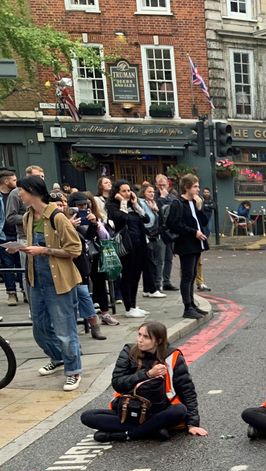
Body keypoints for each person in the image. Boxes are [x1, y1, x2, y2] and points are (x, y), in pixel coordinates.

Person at [6, 175, 84, 391]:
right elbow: (32, 245)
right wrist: (19, 247)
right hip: (35, 279)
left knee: (64, 329)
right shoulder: (28, 217)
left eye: (21, 191)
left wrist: (44, 250)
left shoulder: (57, 217)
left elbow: (75, 250)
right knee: (39, 328)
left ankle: (73, 370)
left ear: (32, 191)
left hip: (58, 280)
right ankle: (57, 357)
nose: (19, 194)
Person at [81, 321, 207, 442]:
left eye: (146, 337)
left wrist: (192, 424)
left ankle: (126, 435)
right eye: (139, 334)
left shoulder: (172, 356)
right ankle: (153, 430)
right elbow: (118, 383)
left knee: (179, 410)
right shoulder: (128, 351)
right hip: (129, 409)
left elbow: (187, 390)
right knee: (88, 416)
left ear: (158, 341)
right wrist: (147, 374)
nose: (140, 339)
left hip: (158, 411)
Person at [64, 192, 108, 340]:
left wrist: (94, 223)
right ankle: (72, 332)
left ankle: (95, 326)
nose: (82, 208)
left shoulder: (83, 218)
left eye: (84, 205)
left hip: (81, 261)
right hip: (66, 262)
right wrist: (69, 226)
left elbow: (87, 237)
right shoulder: (61, 219)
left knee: (84, 294)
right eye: (79, 205)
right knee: (70, 300)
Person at [166, 174, 210, 320]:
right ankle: (187, 307)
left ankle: (192, 304)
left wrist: (199, 207)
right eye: (195, 186)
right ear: (186, 187)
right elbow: (174, 224)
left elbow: (203, 221)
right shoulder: (178, 203)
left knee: (192, 276)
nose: (198, 189)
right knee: (187, 276)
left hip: (196, 243)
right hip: (186, 244)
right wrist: (194, 232)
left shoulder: (194, 202)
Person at [105, 180, 151, 319]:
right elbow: (122, 218)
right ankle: (128, 307)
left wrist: (136, 204)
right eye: (123, 191)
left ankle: (134, 305)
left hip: (140, 244)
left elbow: (146, 219)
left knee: (136, 276)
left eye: (128, 190)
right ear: (117, 192)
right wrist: (122, 202)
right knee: (127, 276)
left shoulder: (133, 205)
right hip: (126, 246)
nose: (127, 193)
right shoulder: (112, 206)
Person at [0, 168, 23, 306]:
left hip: (18, 234)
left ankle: (24, 290)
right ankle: (11, 293)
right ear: (6, 181)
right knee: (7, 265)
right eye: (14, 180)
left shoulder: (17, 194)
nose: (16, 182)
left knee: (21, 263)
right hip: (3, 235)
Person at [139, 184, 166, 299]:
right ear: (143, 192)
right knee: (151, 263)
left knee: (152, 263)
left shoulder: (154, 204)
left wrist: (156, 211)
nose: (152, 194)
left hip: (155, 235)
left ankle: (148, 289)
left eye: (153, 192)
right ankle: (152, 288)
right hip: (147, 235)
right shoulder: (141, 203)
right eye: (149, 192)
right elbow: (145, 219)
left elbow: (159, 219)